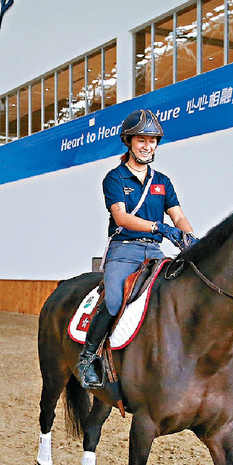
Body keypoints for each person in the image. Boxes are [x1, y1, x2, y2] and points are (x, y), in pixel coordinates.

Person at [76, 109, 197, 389]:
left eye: (152, 140)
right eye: (141, 140)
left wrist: (190, 237)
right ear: (129, 141)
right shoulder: (115, 178)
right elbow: (121, 217)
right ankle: (88, 357)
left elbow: (177, 215)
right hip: (124, 249)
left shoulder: (162, 181)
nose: (147, 146)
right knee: (116, 301)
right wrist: (158, 227)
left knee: (172, 296)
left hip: (154, 252)